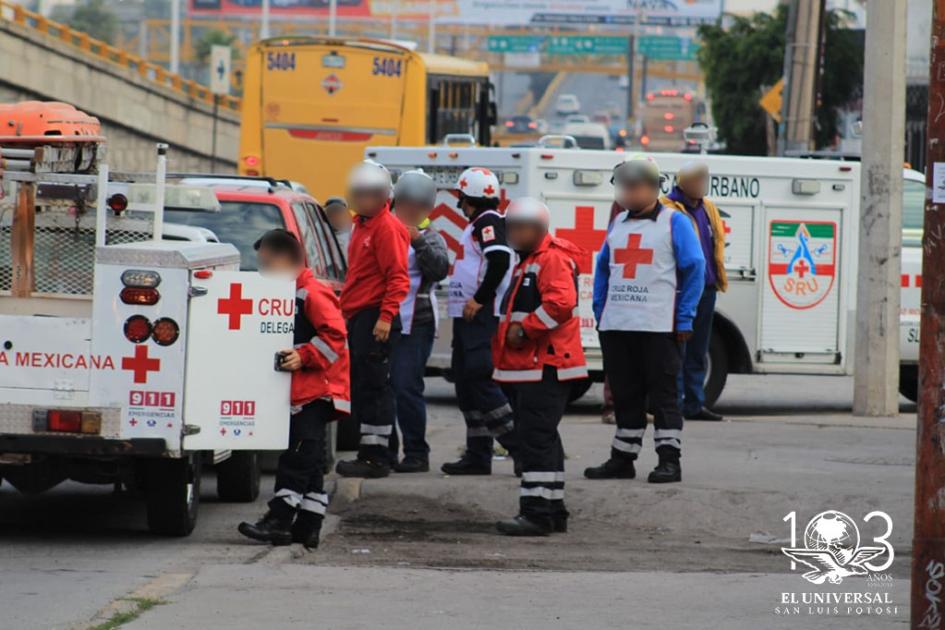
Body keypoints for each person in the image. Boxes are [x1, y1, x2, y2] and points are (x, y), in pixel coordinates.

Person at [585, 155, 704, 484]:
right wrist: (600, 310)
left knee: (663, 396)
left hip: (658, 326)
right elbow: (603, 268)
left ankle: (669, 461)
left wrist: (685, 317)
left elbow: (695, 268)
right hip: (617, 325)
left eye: (635, 187)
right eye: (625, 187)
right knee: (625, 395)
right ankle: (622, 459)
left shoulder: (674, 222)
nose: (629, 192)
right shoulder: (619, 222)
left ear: (653, 188)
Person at [238, 229, 350, 549]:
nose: (262, 271)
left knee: (297, 456)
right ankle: (308, 526)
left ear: (286, 259)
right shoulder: (288, 292)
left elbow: (335, 337)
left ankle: (279, 519)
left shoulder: (311, 292)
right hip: (305, 390)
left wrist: (304, 356)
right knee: (309, 461)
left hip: (317, 391)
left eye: (266, 264)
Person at [493, 198, 586, 536]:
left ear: (539, 229)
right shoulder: (530, 260)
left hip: (545, 364)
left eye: (522, 228)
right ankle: (552, 508)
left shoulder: (550, 259)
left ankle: (536, 513)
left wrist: (526, 329)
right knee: (543, 436)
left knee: (535, 438)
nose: (515, 234)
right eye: (512, 227)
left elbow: (561, 303)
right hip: (534, 364)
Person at [335, 160, 411, 479]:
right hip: (361, 316)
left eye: (370, 194)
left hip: (375, 317)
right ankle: (383, 452)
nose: (364, 199)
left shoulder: (385, 227)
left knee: (374, 389)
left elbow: (398, 277)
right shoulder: (364, 226)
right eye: (360, 194)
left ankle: (374, 458)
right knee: (370, 386)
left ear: (383, 196)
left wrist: (385, 316)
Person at [441, 167, 518, 476]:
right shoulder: (479, 223)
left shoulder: (488, 222)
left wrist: (479, 299)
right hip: (468, 316)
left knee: (480, 379)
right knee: (466, 382)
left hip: (481, 315)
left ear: (467, 197)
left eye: (460, 197)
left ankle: (520, 447)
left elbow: (499, 260)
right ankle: (477, 454)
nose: (459, 203)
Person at [389, 170, 450, 473]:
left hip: (416, 322)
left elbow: (440, 269)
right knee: (380, 388)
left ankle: (416, 452)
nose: (413, 211)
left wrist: (418, 243)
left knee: (406, 386)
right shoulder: (381, 227)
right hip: (381, 320)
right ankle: (381, 451)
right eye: (407, 204)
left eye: (420, 206)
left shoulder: (430, 234)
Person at [661, 161, 728, 421]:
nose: (702, 184)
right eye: (697, 179)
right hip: (681, 289)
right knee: (678, 350)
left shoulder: (707, 208)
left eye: (704, 179)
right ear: (683, 182)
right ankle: (675, 404)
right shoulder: (667, 209)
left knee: (698, 350)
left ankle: (695, 403)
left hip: (707, 288)